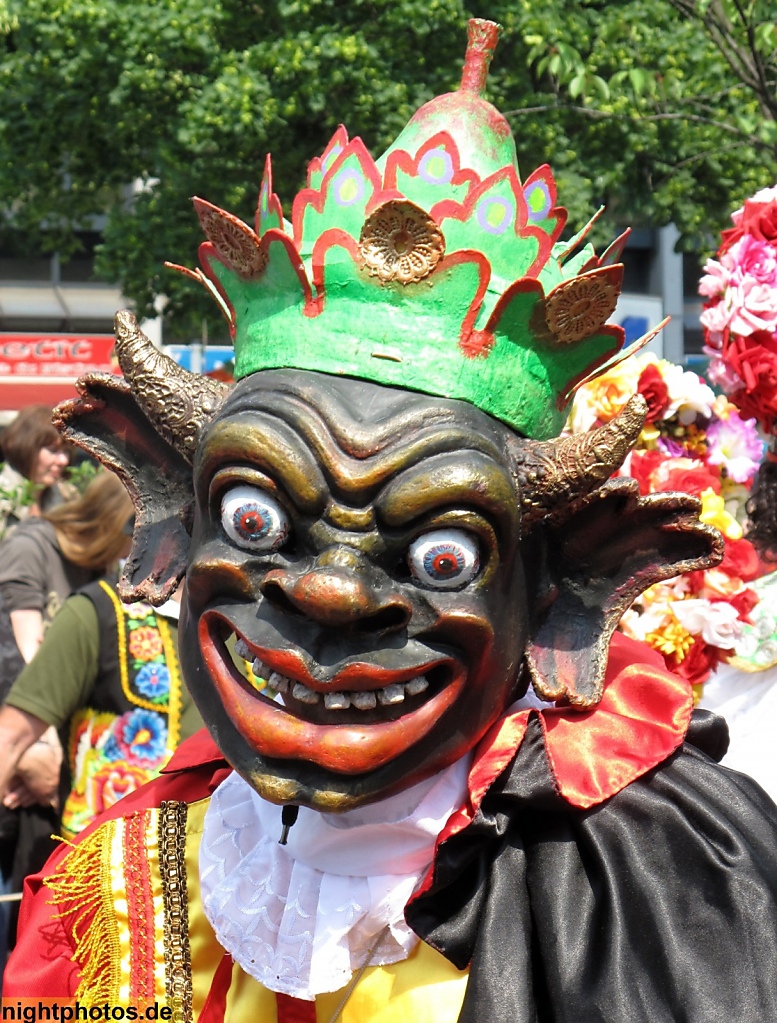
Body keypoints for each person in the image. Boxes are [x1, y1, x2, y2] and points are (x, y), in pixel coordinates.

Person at [6, 20, 777, 1021]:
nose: (330, 591)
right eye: (254, 519)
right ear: (167, 518)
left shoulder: (669, 884)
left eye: (442, 553)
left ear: (560, 589)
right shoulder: (125, 875)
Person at [0, 581, 202, 839]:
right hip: (108, 867)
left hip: (225, 865)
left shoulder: (255, 626)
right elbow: (8, 739)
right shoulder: (96, 613)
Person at [0, 404, 70, 541]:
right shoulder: (3, 499)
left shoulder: (67, 496)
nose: (63, 460)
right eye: (53, 451)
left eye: (66, 451)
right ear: (25, 449)